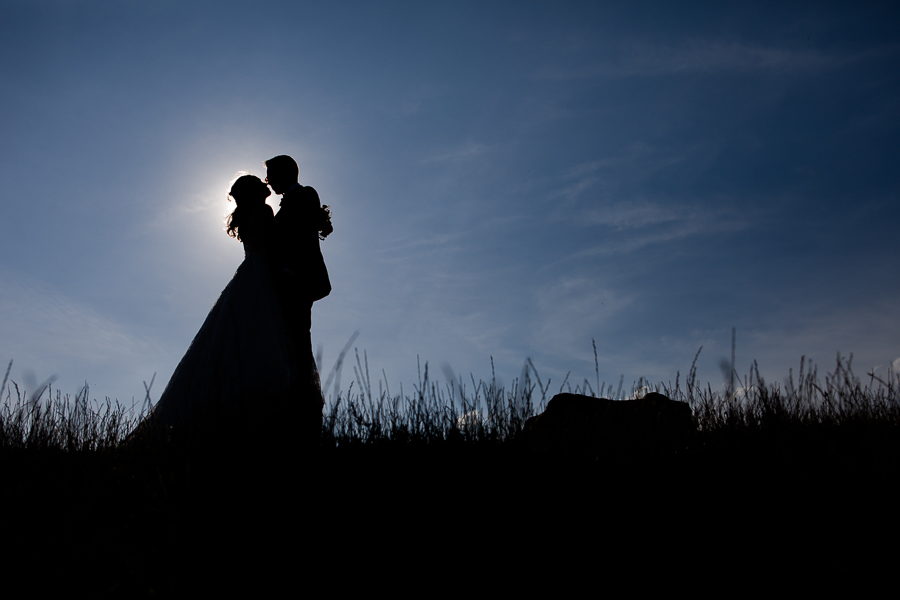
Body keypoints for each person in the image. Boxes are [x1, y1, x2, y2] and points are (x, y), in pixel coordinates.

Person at [141, 174, 297, 442]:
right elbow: (272, 247)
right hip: (262, 276)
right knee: (260, 339)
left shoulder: (247, 214)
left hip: (248, 274)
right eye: (261, 182)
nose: (266, 182)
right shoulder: (264, 210)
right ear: (254, 192)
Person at [264, 155, 332, 453]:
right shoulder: (284, 205)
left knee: (298, 343)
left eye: (270, 175)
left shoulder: (305, 194)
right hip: (285, 285)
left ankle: (306, 411)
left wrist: (291, 271)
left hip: (299, 282)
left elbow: (303, 235)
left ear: (284, 173)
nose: (268, 182)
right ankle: (290, 410)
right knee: (289, 344)